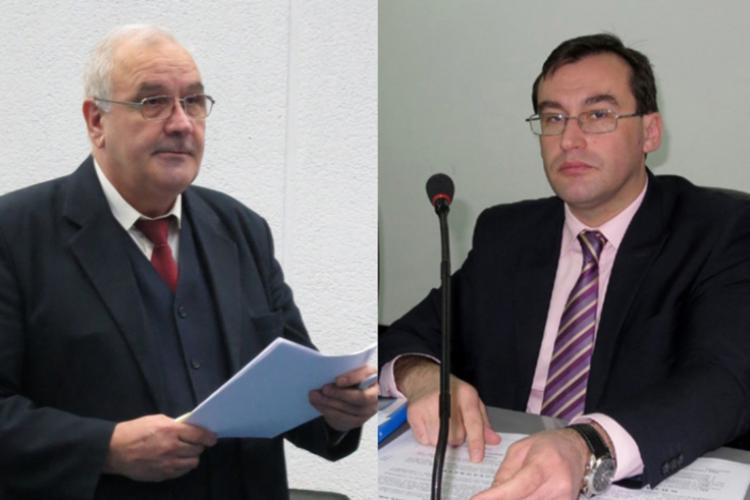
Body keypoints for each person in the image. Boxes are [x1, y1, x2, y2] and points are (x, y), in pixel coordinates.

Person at [0, 24, 377, 500]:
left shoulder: (242, 229)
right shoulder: (15, 234)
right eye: (152, 102)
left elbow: (292, 387)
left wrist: (337, 412)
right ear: (96, 121)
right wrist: (105, 448)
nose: (181, 123)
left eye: (193, 101)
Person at [379, 33, 750, 499]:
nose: (570, 140)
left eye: (598, 115)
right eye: (554, 118)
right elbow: (407, 336)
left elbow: (726, 381)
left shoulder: (720, 230)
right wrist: (424, 379)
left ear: (650, 132)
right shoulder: (507, 234)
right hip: (501, 476)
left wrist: (586, 446)